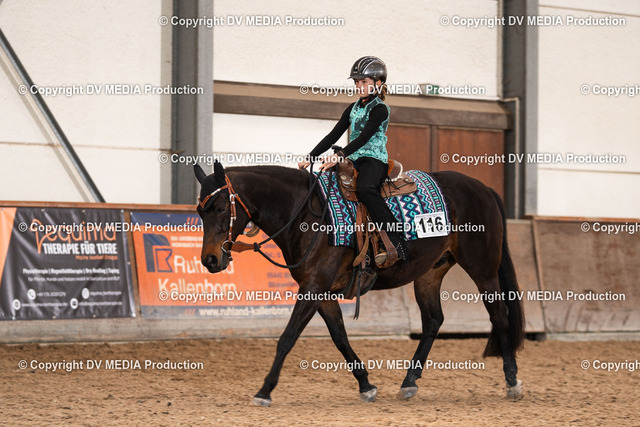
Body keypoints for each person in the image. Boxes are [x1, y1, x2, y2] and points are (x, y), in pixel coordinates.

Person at [298, 56, 408, 266]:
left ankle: (396, 242)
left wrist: (339, 155)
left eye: (364, 82)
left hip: (373, 159)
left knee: (366, 190)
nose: (359, 86)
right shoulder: (353, 108)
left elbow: (363, 138)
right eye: (357, 82)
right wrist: (310, 157)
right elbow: (333, 136)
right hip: (353, 158)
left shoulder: (380, 109)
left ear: (378, 83)